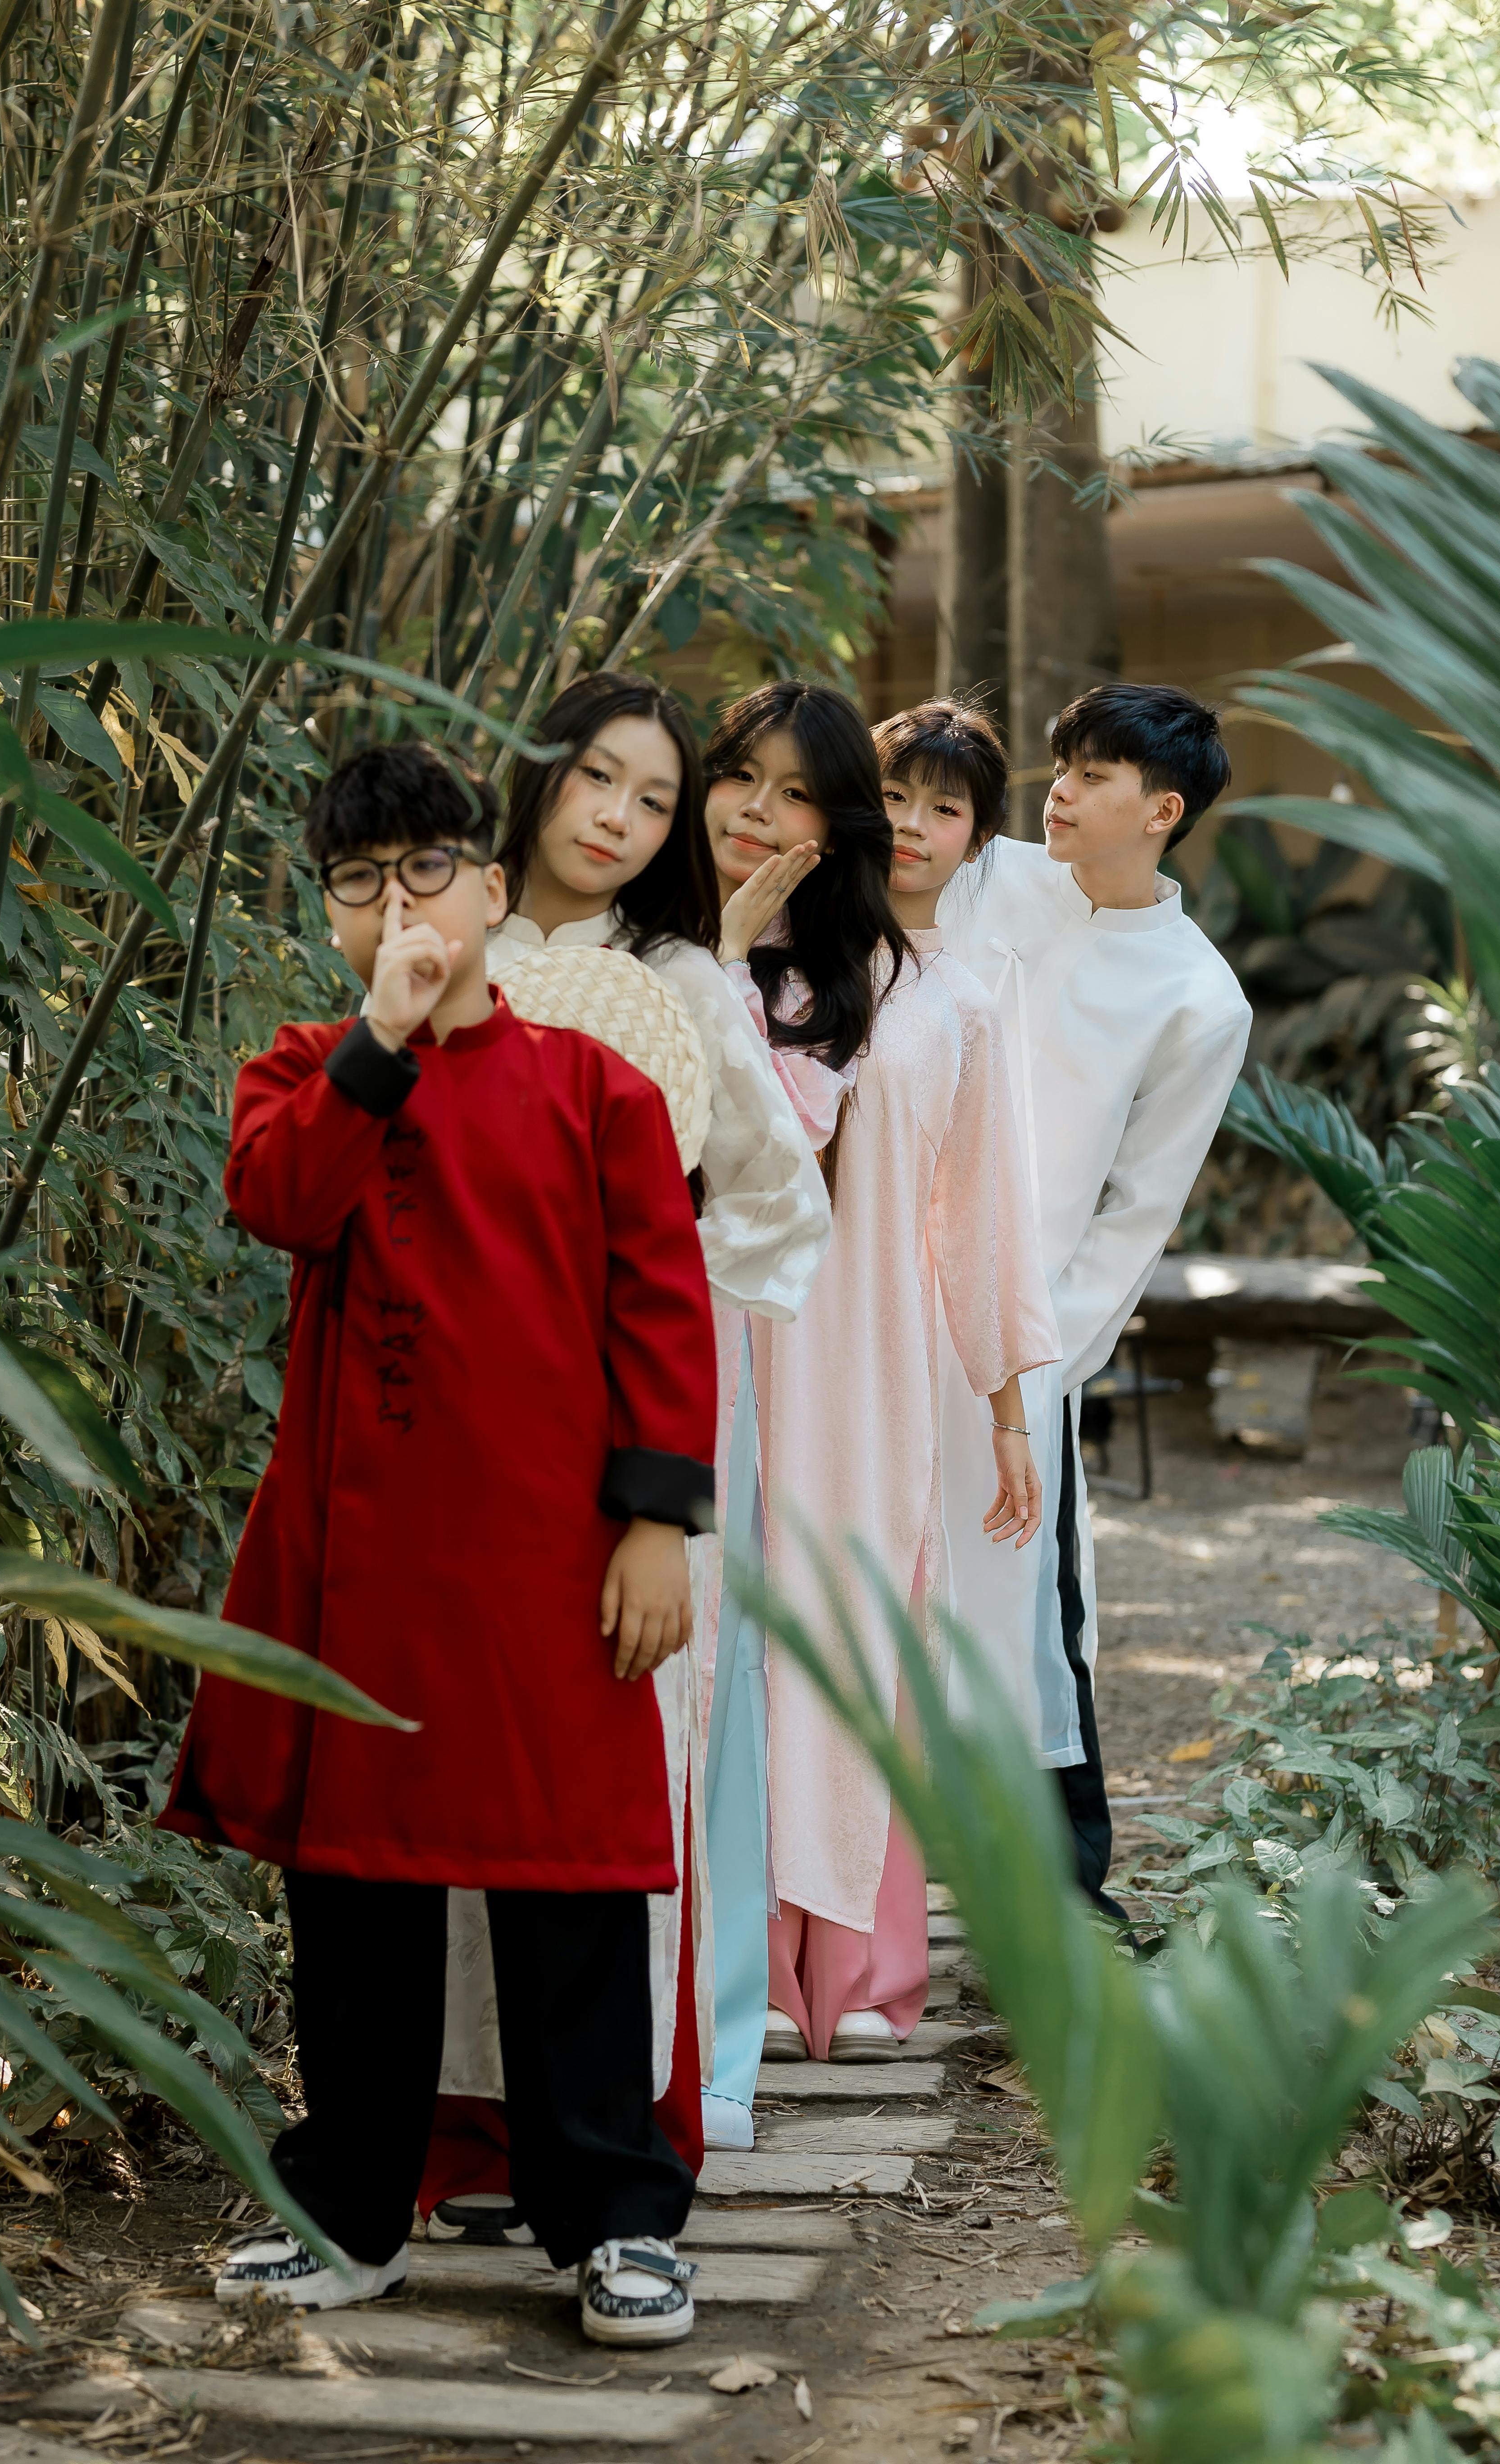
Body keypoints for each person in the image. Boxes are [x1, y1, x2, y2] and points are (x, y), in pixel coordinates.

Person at [158, 742, 717, 2347]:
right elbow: (282, 1204)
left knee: (574, 1885)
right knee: (356, 1897)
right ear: (330, 913)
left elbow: (663, 1316)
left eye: (425, 872)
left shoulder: (594, 1091)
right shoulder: (304, 1071)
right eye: (358, 882)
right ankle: (351, 2214)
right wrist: (382, 1040)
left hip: (557, 1551)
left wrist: (657, 1523)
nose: (397, 906)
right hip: (361, 1563)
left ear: (491, 886)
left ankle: (615, 2221)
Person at [420, 671, 831, 2190]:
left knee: (612, 1754)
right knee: (452, 1755)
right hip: (445, 1431)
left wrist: (630, 1280)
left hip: (620, 1436)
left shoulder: (682, 980)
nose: (617, 817)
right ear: (537, 774)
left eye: (653, 800)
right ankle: (463, 2129)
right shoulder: (434, 942)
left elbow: (781, 1212)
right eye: (598, 777)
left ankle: (612, 2143)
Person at [731, 683, 1058, 2064]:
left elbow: (982, 1219)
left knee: (865, 1625)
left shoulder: (966, 1005)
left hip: (875, 1362)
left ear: (980, 839)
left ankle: (862, 1966)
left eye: (951, 809)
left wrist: (1005, 1415)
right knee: (745, 1623)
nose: (918, 828)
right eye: (898, 799)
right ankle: (736, 1968)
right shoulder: (761, 965)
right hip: (744, 1336)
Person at [934, 684, 1252, 1914]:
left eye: (1098, 772)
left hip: (1026, 1340)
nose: (1060, 786)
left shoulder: (1196, 996)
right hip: (871, 1296)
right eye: (1063, 763)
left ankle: (1069, 1899)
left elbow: (1138, 1211)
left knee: (1032, 1604)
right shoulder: (985, 876)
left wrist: (1044, 1361)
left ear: (1163, 810)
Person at [694, 681, 905, 2132]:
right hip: (619, 1318)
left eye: (789, 791)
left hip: (754, 1335)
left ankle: (769, 1959)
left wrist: (714, 963)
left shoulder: (832, 981)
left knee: (761, 1629)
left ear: (834, 829)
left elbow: (755, 1144)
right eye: (735, 776)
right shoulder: (623, 924)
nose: (751, 812)